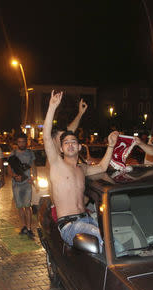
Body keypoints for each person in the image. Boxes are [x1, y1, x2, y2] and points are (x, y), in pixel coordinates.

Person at [44, 91, 118, 250]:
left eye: (73, 142)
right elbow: (46, 138)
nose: (70, 144)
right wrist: (52, 107)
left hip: (87, 219)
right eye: (66, 143)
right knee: (105, 238)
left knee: (114, 232)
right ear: (61, 149)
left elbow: (102, 167)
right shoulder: (57, 165)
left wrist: (111, 145)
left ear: (79, 147)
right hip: (70, 225)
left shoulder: (82, 169)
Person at [8, 133, 36, 239]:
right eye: (19, 141)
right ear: (17, 142)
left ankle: (29, 228)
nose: (21, 143)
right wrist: (14, 176)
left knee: (27, 206)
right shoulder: (13, 153)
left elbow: (34, 166)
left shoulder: (30, 153)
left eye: (23, 141)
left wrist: (34, 178)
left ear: (26, 142)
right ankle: (24, 226)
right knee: (20, 207)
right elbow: (9, 168)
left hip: (27, 183)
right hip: (16, 184)